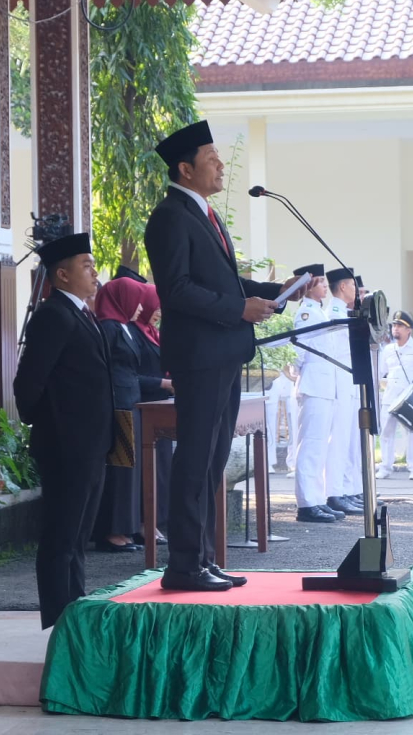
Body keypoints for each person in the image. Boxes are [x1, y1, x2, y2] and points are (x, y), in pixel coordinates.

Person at [144, 119, 293, 592]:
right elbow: (178, 290)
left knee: (211, 461)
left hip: (224, 353)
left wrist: (280, 290)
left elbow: (228, 283)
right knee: (195, 458)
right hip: (200, 356)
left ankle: (203, 559)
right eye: (211, 159)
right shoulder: (170, 217)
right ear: (185, 169)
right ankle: (183, 566)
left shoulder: (205, 214)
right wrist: (238, 309)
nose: (222, 166)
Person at [12, 233, 114, 629]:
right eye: (86, 266)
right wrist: (54, 426)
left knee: (78, 538)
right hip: (67, 446)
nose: (94, 273)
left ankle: (76, 614)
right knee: (61, 537)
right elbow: (28, 384)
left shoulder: (82, 314)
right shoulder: (53, 315)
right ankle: (57, 622)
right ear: (63, 274)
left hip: (91, 444)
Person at [91, 277, 170, 553]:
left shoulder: (122, 327)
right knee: (121, 468)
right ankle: (113, 531)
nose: (139, 307)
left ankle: (126, 527)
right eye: (135, 300)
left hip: (131, 401)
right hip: (119, 403)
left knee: (130, 469)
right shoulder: (109, 328)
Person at [291, 264, 346, 523]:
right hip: (314, 385)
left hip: (325, 386)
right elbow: (298, 352)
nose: (325, 286)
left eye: (325, 281)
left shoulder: (319, 312)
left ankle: (317, 499)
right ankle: (306, 504)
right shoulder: (306, 313)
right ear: (308, 285)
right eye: (321, 282)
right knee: (311, 445)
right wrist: (299, 375)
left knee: (320, 446)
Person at [136, 293, 176, 539]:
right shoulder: (134, 332)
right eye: (155, 307)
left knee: (162, 467)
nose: (159, 312)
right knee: (149, 468)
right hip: (145, 405)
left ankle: (159, 519)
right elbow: (131, 374)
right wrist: (164, 383)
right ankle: (146, 522)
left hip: (161, 405)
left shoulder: (152, 332)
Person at [325, 267, 363, 514]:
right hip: (338, 383)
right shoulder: (334, 313)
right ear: (342, 286)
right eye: (352, 285)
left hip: (348, 383)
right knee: (337, 443)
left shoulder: (343, 312)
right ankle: (334, 493)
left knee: (348, 442)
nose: (356, 290)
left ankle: (346, 490)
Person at [377, 311, 413, 479]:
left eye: (400, 326)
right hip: (390, 396)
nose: (396, 329)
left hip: (409, 398)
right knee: (386, 433)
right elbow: (381, 373)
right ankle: (385, 467)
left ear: (409, 330)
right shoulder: (388, 349)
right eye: (394, 325)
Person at [265, 363, 300, 475]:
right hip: (269, 380)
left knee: (295, 426)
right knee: (267, 425)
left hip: (289, 383)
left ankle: (294, 462)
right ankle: (267, 461)